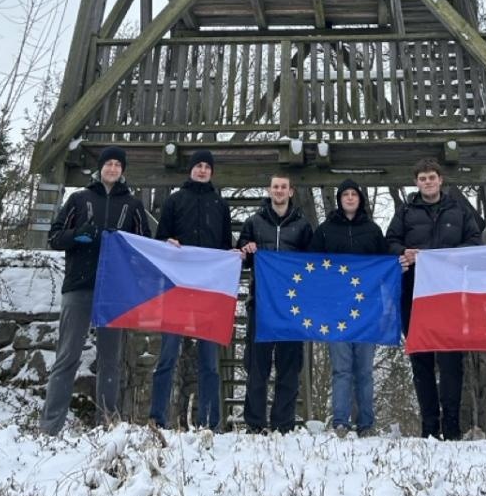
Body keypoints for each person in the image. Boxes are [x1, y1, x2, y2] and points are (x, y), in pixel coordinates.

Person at [39, 147, 149, 435]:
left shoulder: (133, 205)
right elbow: (54, 237)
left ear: (123, 170)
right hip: (80, 286)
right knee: (67, 356)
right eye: (108, 163)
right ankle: (50, 427)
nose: (112, 168)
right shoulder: (78, 199)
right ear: (100, 168)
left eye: (117, 164)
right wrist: (78, 235)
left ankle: (106, 425)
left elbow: (145, 246)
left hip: (114, 290)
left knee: (110, 361)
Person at [386, 156, 481, 439]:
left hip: (450, 294)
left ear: (441, 180)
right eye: (422, 178)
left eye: (432, 177)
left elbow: (476, 242)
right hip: (414, 293)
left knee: (452, 360)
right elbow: (390, 242)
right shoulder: (405, 212)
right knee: (421, 360)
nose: (428, 182)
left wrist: (455, 254)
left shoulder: (459, 210)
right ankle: (429, 425)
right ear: (416, 183)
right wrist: (403, 252)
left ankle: (451, 424)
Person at [149, 149, 234, 431]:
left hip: (209, 292)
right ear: (190, 170)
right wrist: (168, 243)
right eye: (197, 165)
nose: (202, 170)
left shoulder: (220, 205)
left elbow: (224, 246)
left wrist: (231, 256)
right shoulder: (175, 201)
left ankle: (209, 421)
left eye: (206, 166)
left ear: (212, 171)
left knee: (209, 362)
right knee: (167, 358)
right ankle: (157, 418)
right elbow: (161, 239)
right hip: (177, 289)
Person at [309, 178, 387, 436]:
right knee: (341, 368)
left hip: (367, 311)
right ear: (339, 199)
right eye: (346, 194)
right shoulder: (325, 231)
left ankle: (366, 423)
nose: (350, 198)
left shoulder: (373, 231)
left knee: (364, 370)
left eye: (354, 194)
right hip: (336, 309)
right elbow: (312, 268)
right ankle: (340, 421)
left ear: (360, 199)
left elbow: (386, 266)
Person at [237, 174, 313, 433]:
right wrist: (245, 249)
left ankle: (283, 424)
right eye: (275, 187)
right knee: (257, 366)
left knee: (289, 367)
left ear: (291, 192)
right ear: (268, 191)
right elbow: (240, 258)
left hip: (293, 308)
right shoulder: (253, 222)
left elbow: (311, 265)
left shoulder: (303, 226)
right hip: (261, 303)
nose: (279, 191)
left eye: (283, 187)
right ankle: (255, 423)